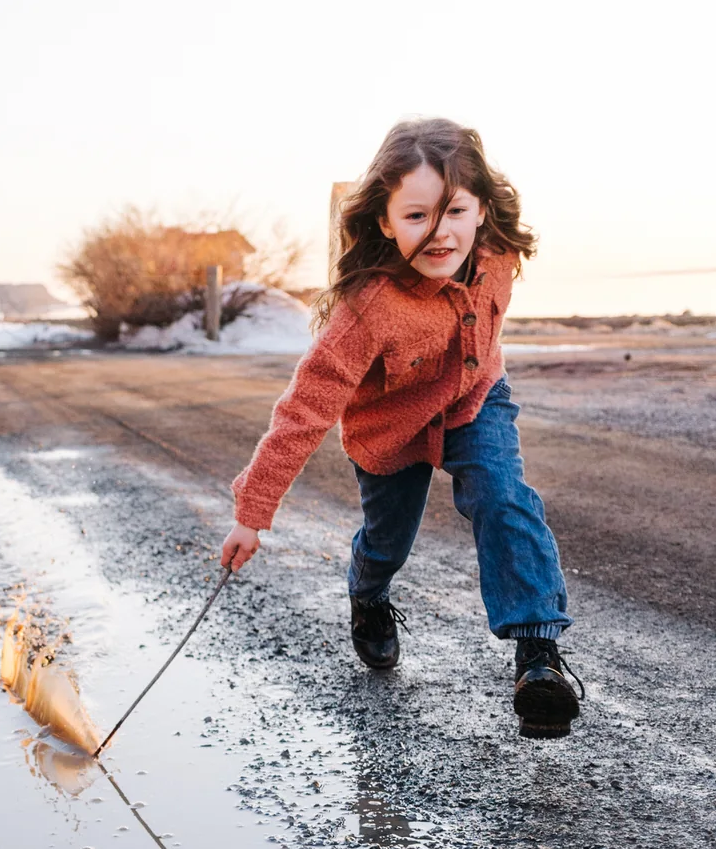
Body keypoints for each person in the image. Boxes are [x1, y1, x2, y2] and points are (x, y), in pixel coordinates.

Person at [221, 117, 582, 739]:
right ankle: (367, 592)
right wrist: (254, 510)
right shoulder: (368, 309)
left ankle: (537, 658)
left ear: (479, 210)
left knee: (503, 498)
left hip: (474, 401)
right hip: (388, 430)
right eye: (417, 216)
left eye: (455, 211)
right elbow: (306, 408)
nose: (440, 233)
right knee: (389, 541)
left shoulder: (498, 255)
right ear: (385, 222)